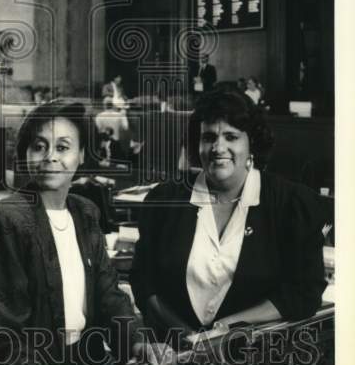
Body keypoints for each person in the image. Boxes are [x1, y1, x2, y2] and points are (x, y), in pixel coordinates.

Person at [0, 100, 173, 365]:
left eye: (63, 147)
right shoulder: (7, 218)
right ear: (26, 154)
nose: (50, 157)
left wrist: (139, 342)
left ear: (80, 155)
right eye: (39, 146)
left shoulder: (85, 212)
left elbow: (110, 297)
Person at [130, 90, 326, 342]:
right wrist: (186, 336)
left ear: (251, 143)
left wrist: (227, 327)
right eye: (208, 137)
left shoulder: (291, 204)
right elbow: (144, 281)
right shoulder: (165, 201)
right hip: (174, 359)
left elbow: (304, 293)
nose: (218, 147)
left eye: (231, 137)